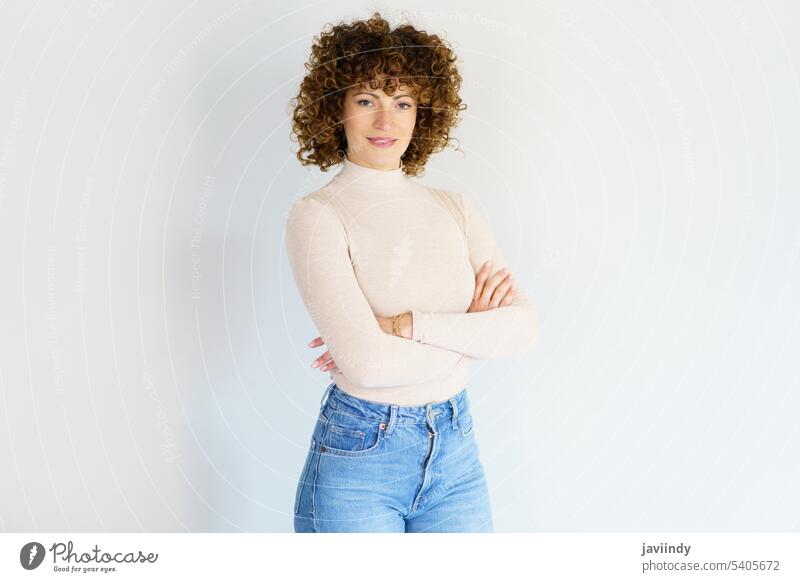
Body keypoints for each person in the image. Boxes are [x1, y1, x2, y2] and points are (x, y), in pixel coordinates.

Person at [285, 12, 539, 533]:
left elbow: (523, 329)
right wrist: (473, 329)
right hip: (361, 456)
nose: (386, 122)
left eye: (402, 103)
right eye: (366, 101)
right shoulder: (317, 215)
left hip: (456, 450)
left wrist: (403, 326)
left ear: (423, 113)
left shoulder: (455, 208)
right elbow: (369, 367)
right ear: (336, 109)